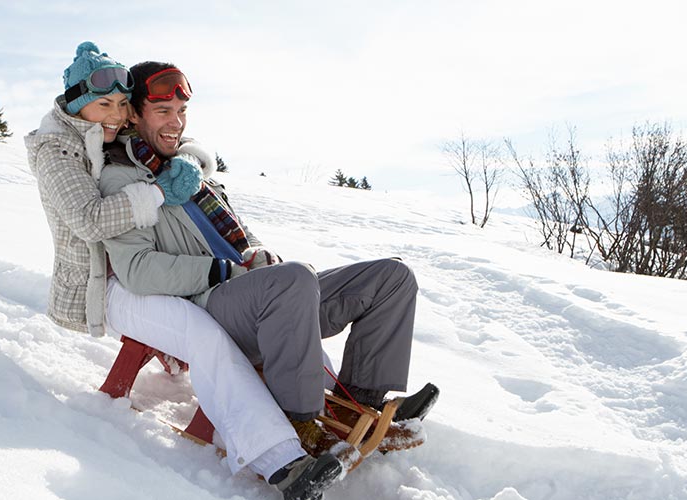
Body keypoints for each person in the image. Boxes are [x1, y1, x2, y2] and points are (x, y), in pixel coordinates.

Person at [25, 42, 342, 500]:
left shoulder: (112, 138)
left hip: (151, 268)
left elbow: (161, 155)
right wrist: (158, 193)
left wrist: (187, 163)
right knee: (207, 335)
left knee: (264, 311)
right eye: (103, 105)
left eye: (120, 104)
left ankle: (321, 404)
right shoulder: (59, 151)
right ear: (77, 105)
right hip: (112, 284)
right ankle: (277, 460)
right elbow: (89, 220)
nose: (113, 115)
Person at [96, 61, 441, 453]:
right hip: (214, 302)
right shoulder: (121, 180)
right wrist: (225, 270)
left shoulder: (190, 172)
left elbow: (239, 233)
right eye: (163, 112)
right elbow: (136, 269)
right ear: (135, 114)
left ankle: (361, 401)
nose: (177, 123)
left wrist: (259, 254)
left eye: (182, 112)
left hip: (267, 294)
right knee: (293, 279)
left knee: (391, 278)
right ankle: (300, 420)